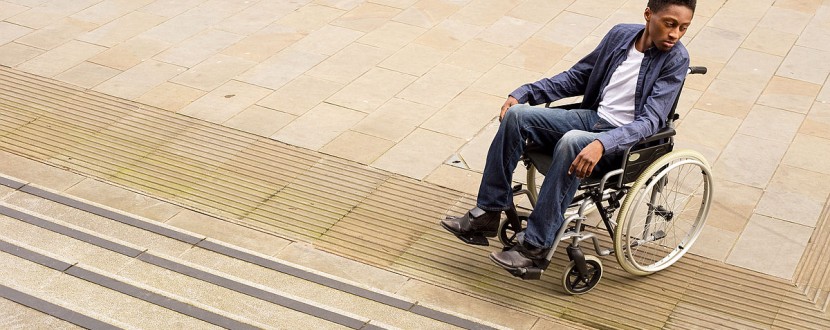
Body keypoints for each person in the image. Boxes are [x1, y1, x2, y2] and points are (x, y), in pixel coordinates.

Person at [441, 0, 696, 270]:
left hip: (623, 142)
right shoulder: (620, 35)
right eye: (669, 24)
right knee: (517, 116)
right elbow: (577, 77)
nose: (675, 34)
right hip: (592, 118)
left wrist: (602, 143)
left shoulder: (676, 59)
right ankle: (488, 213)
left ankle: (535, 247)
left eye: (683, 28)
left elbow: (650, 122)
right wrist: (525, 92)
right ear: (648, 15)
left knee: (572, 140)